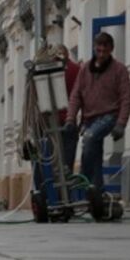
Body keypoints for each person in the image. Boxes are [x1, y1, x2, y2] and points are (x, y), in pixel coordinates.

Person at [66, 31, 130, 190]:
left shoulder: (119, 70)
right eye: (99, 49)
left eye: (105, 50)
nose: (101, 53)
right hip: (89, 118)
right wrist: (70, 118)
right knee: (93, 152)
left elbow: (126, 98)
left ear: (111, 49)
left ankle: (83, 178)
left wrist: (121, 124)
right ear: (94, 48)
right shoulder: (85, 70)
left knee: (89, 139)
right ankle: (96, 192)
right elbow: (76, 96)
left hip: (109, 116)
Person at [55, 42, 82, 174]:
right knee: (67, 162)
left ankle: (52, 192)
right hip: (70, 121)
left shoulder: (49, 71)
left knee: (52, 161)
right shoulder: (76, 69)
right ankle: (67, 188)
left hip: (53, 123)